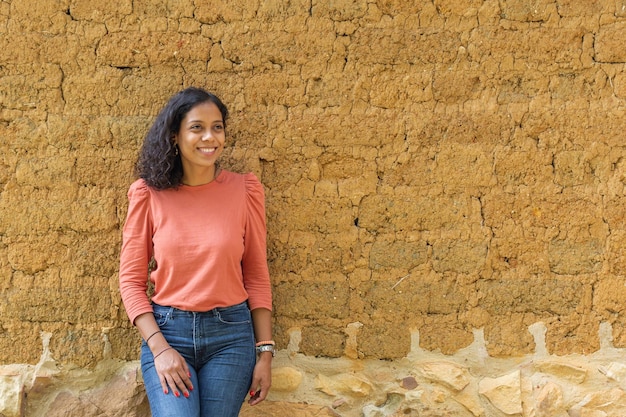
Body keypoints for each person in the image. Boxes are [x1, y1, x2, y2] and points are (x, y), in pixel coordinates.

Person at [118, 87, 273, 417]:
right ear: (175, 135)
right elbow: (131, 282)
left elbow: (257, 276)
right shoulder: (149, 194)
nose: (210, 137)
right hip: (168, 332)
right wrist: (160, 350)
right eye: (197, 127)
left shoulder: (244, 190)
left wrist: (265, 353)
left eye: (217, 127)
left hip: (230, 337)